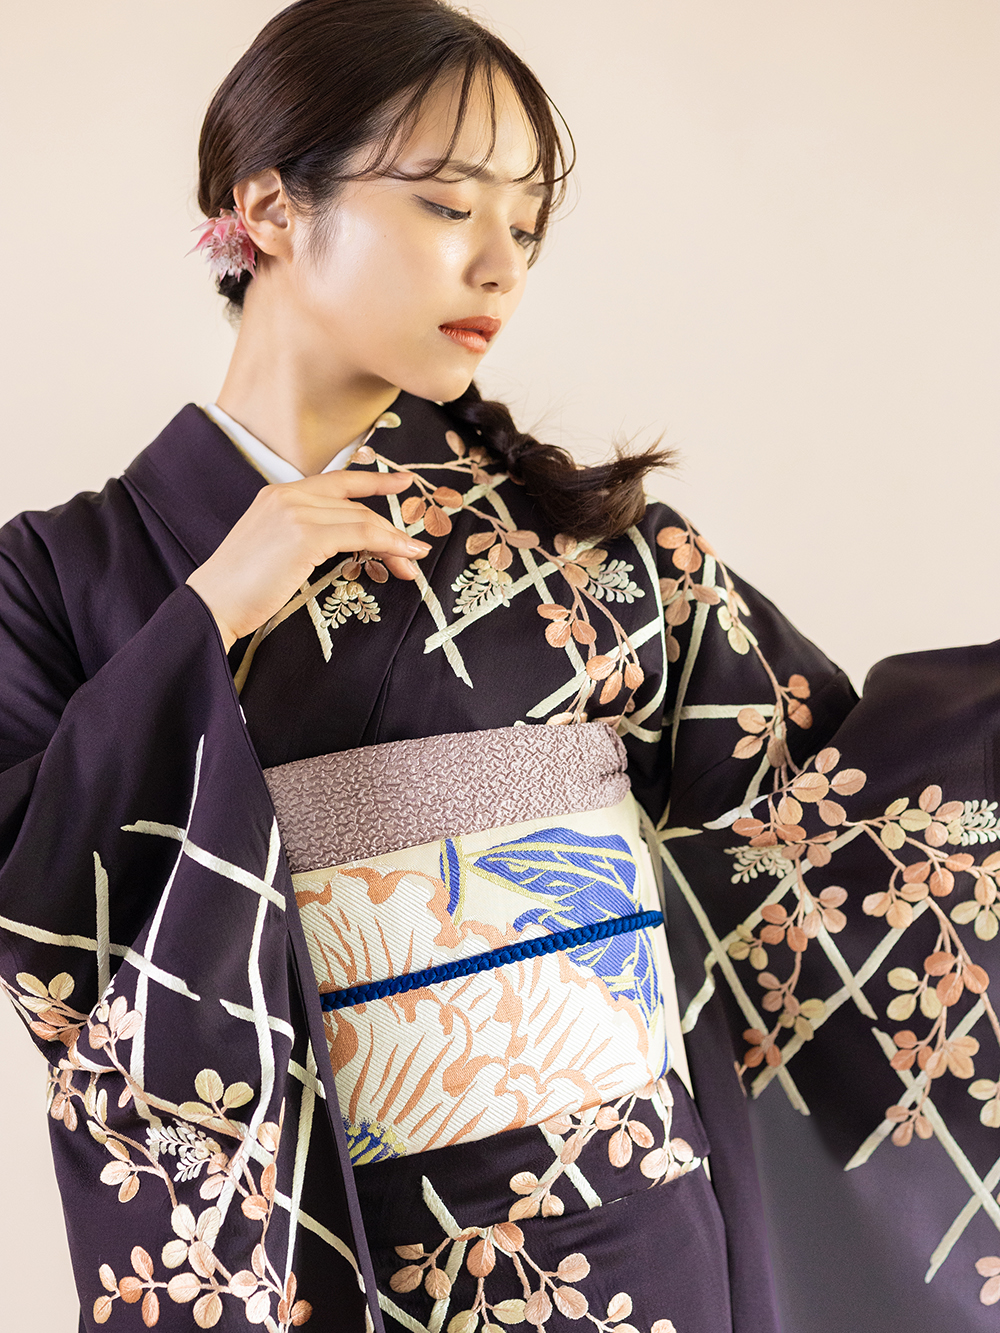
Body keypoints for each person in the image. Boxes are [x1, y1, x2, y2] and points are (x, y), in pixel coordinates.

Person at [1, 3, 997, 1331]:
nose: (498, 264)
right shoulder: (57, 577)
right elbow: (41, 913)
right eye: (447, 205)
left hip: (619, 1236)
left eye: (525, 226)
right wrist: (212, 610)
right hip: (310, 1246)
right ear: (271, 207)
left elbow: (824, 815)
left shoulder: (598, 547)